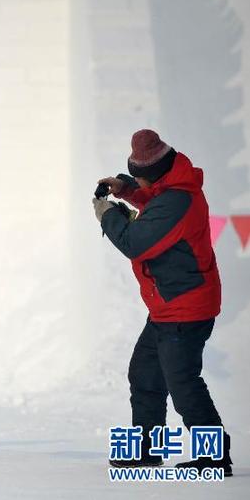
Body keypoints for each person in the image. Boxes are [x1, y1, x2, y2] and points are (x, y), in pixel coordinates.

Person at [93, 129, 231, 474]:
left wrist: (108, 214)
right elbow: (153, 197)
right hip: (169, 305)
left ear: (154, 172)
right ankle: (146, 450)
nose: (139, 180)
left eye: (138, 174)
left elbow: (134, 242)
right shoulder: (173, 186)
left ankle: (214, 455)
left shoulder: (176, 202)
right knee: (145, 374)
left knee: (182, 381)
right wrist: (125, 189)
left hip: (185, 306)